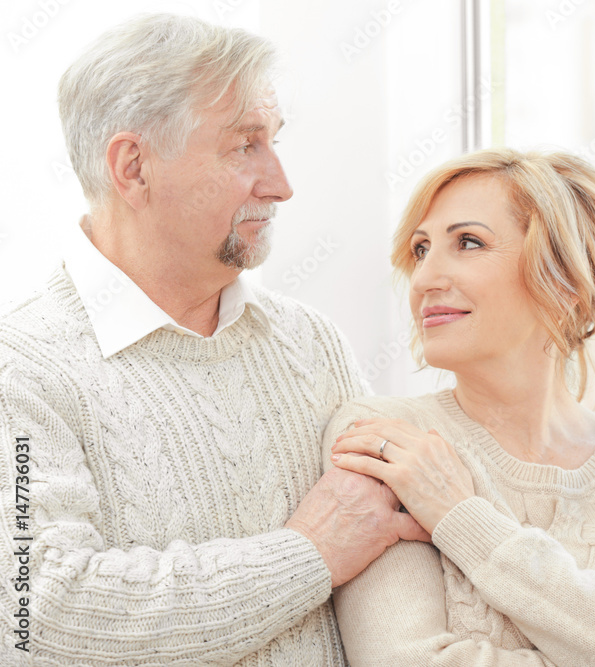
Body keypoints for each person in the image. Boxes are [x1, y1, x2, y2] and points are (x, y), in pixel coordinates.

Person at [0, 14, 428, 666]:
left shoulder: (311, 342)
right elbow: (40, 614)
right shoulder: (20, 368)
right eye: (244, 146)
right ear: (133, 167)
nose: (281, 184)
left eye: (273, 142)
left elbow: (389, 547)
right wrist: (308, 553)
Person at [325, 148, 595, 666]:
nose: (425, 279)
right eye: (421, 249)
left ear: (564, 279)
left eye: (468, 242)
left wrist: (461, 517)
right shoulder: (387, 440)